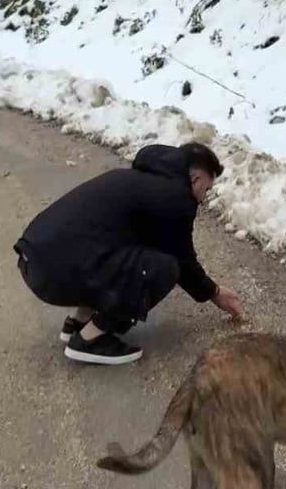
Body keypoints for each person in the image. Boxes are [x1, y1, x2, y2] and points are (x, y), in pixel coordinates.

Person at [14, 142, 245, 365]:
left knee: (121, 252)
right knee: (165, 267)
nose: (203, 198)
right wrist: (213, 292)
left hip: (35, 259)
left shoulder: (140, 182)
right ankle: (90, 340)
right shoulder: (176, 197)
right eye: (206, 189)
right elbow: (182, 258)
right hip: (56, 272)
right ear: (195, 178)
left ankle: (78, 323)